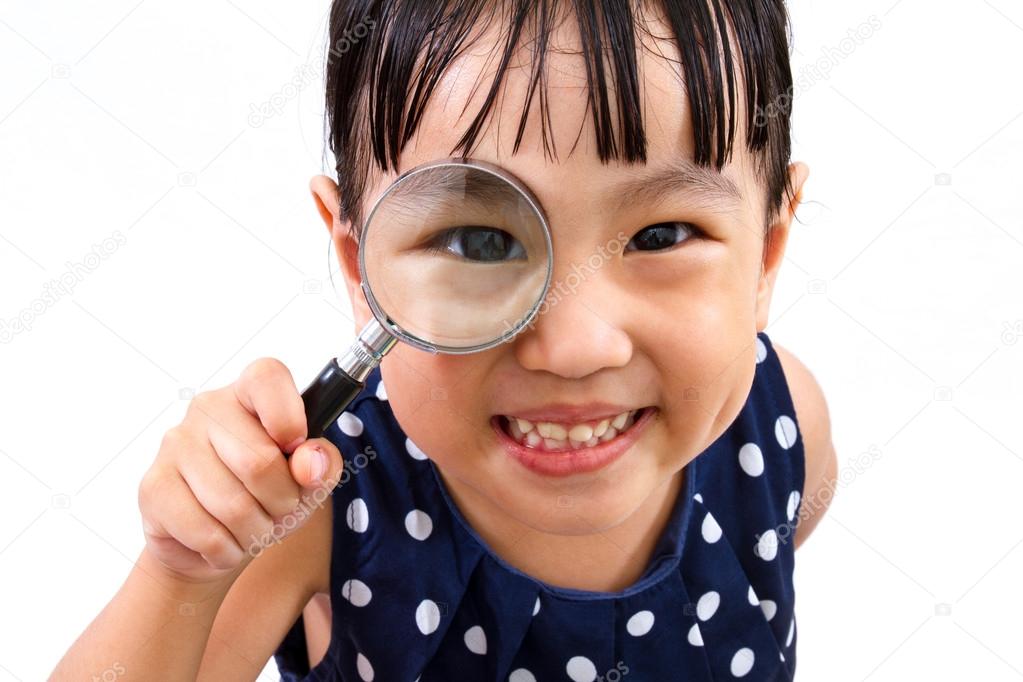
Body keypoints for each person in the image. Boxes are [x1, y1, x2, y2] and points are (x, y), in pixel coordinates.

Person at [52, 0, 839, 679]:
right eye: (478, 242)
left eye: (663, 234)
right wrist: (181, 575)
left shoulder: (781, 425)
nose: (575, 347)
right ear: (359, 267)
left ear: (766, 255)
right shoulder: (318, 505)